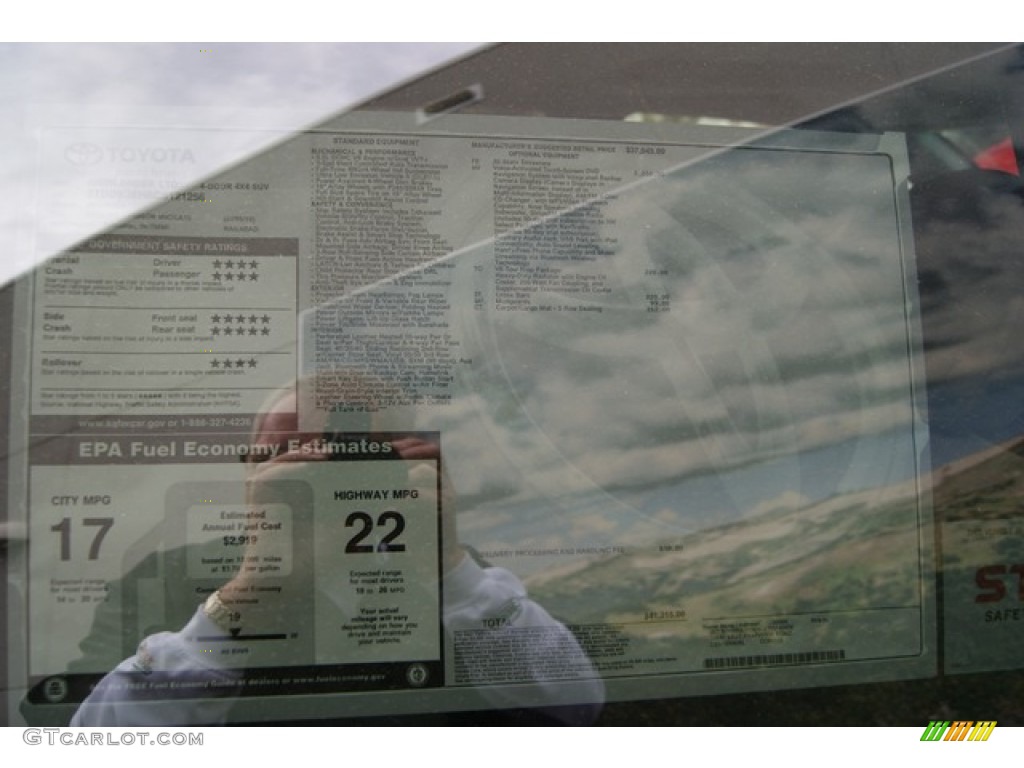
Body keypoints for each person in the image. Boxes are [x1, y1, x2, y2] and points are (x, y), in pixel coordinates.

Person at [70, 385, 605, 726]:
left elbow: (576, 704)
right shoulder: (167, 577)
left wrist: (451, 569)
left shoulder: (442, 572)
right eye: (296, 464)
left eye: (364, 461)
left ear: (412, 465)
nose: (329, 482)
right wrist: (246, 597)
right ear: (251, 475)